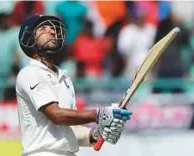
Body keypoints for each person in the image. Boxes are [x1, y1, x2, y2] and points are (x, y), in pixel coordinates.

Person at [16, 14, 133, 156]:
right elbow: (56, 115)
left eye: (54, 29)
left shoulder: (64, 78)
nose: (53, 31)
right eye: (43, 28)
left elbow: (71, 129)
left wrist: (97, 133)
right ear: (29, 38)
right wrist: (99, 115)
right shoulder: (30, 72)